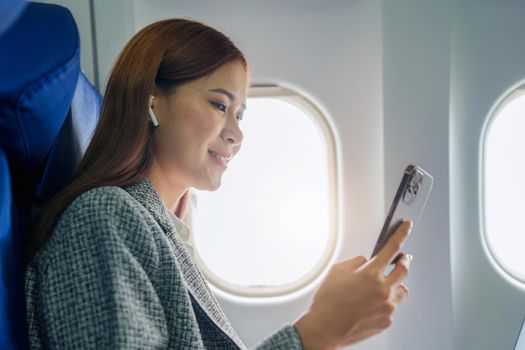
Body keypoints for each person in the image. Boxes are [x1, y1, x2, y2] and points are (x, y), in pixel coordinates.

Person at [24, 18, 412, 349]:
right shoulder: (104, 218)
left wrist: (329, 327)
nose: (236, 134)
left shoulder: (171, 233)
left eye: (240, 114)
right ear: (153, 99)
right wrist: (316, 332)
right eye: (219, 105)